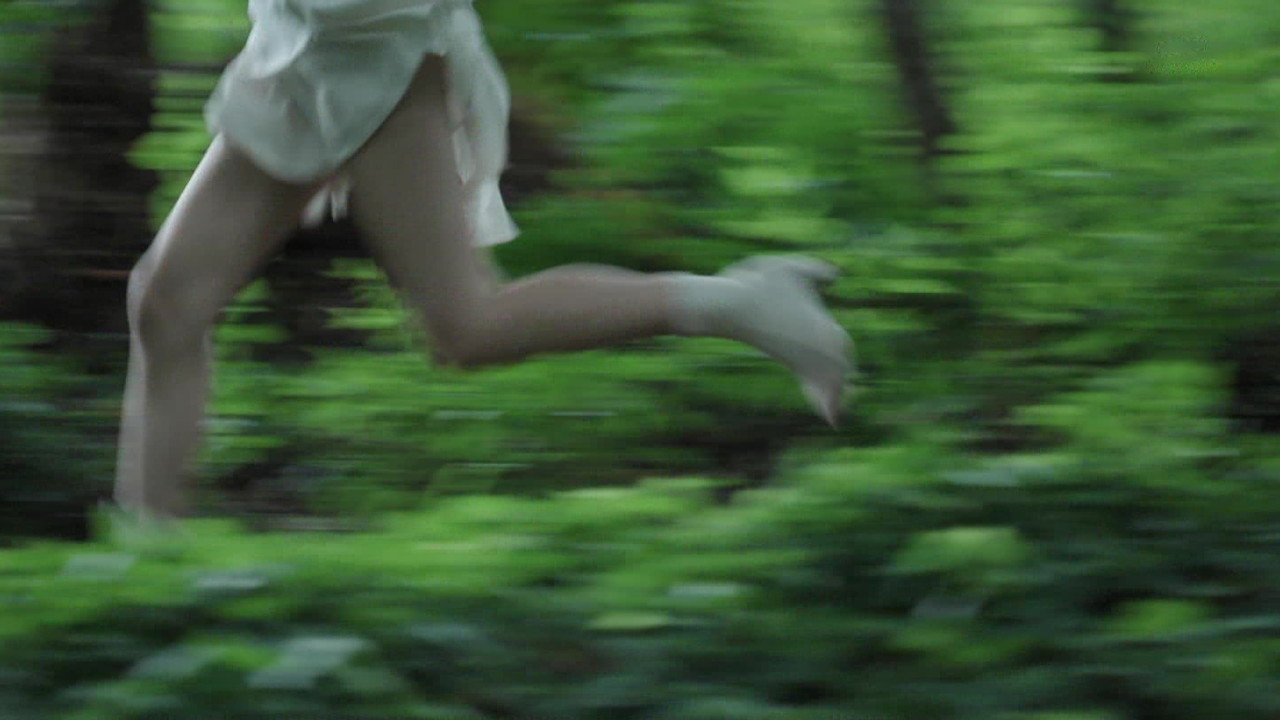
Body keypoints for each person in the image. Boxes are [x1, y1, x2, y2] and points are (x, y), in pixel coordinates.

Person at [113, 0, 853, 522]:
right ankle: (147, 561)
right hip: (298, 39)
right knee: (166, 305)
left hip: (382, 45)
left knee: (468, 327)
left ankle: (740, 301)